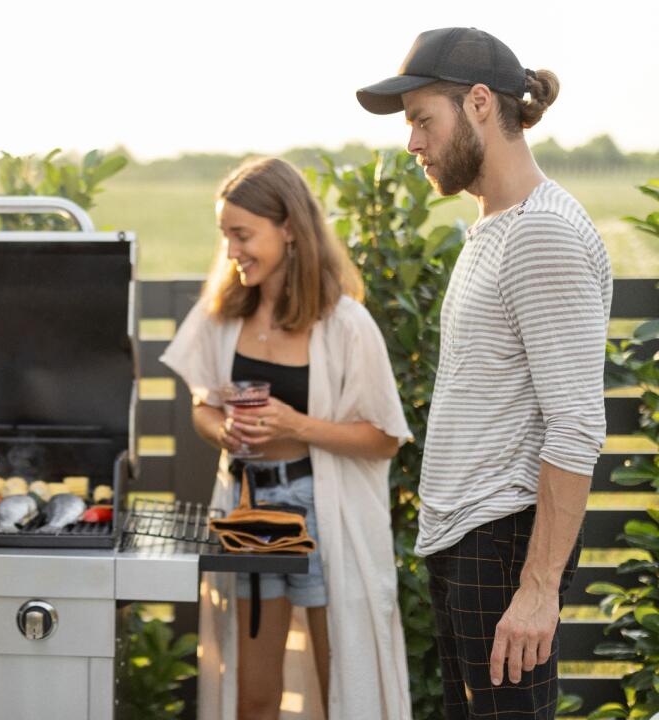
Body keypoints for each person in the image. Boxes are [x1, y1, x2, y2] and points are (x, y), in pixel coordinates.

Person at [356, 27, 612, 719]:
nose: (411, 143)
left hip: (503, 543)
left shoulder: (541, 233)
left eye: (420, 120)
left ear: (476, 104)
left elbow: (578, 421)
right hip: (469, 544)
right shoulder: (495, 227)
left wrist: (537, 589)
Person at [160, 157, 413, 719]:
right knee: (252, 695)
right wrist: (223, 430)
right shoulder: (221, 314)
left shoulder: (345, 324)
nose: (231, 251)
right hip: (249, 514)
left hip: (323, 515)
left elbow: (384, 438)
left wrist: (296, 425)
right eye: (226, 235)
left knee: (339, 687)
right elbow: (203, 404)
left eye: (243, 235)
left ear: (290, 228)